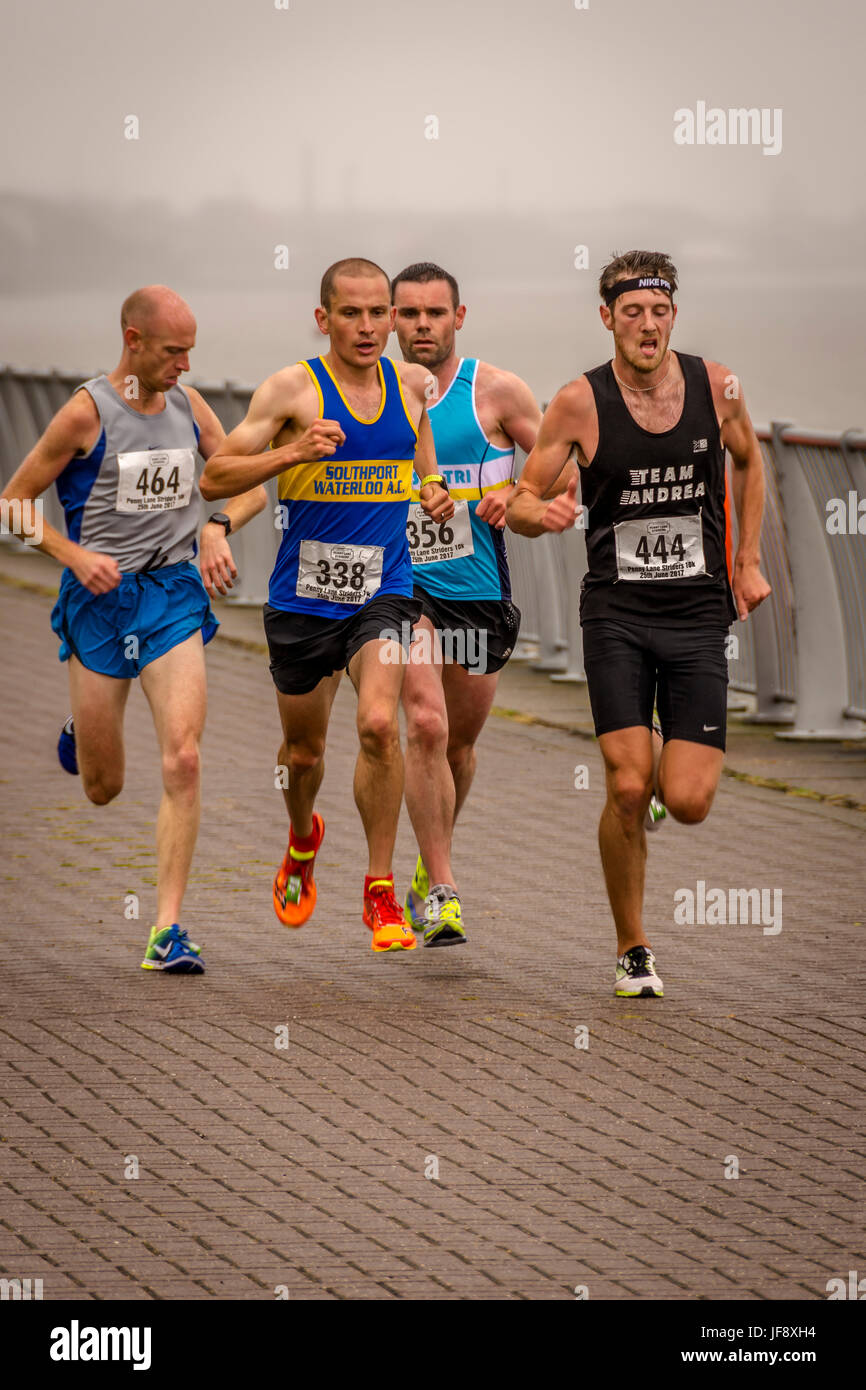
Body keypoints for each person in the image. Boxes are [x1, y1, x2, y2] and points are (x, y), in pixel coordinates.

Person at [507, 250, 771, 998]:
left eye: (659, 312)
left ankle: (661, 788)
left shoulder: (717, 387)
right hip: (615, 616)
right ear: (607, 320)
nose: (647, 326)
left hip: (696, 617)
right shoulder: (578, 403)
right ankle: (633, 949)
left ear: (673, 317)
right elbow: (524, 501)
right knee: (626, 785)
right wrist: (546, 513)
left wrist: (746, 560)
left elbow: (750, 462)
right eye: (632, 313)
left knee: (685, 802)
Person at [0, 285, 266, 973]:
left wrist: (215, 526)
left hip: (172, 593)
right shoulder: (86, 413)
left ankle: (167, 929)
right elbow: (15, 503)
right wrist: (73, 554)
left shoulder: (189, 405)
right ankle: (79, 730)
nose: (184, 365)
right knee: (103, 786)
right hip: (99, 600)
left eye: (191, 353)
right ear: (134, 340)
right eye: (174, 352)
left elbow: (249, 483)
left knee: (184, 758)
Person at [199, 258, 453, 953]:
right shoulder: (293, 390)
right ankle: (303, 837)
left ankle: (379, 891)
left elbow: (420, 463)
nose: (370, 327)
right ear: (325, 319)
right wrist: (293, 454)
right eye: (353, 314)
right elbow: (215, 474)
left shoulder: (409, 387)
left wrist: (432, 491)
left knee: (379, 723)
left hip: (386, 591)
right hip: (303, 601)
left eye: (382, 314)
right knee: (304, 754)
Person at [390, 262, 542, 946]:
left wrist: (515, 493)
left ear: (459, 317)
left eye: (434, 313)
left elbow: (565, 464)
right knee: (424, 724)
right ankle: (443, 888)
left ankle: (431, 859)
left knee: (459, 744)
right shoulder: (371, 393)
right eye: (409, 313)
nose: (422, 325)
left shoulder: (497, 391)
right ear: (390, 318)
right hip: (400, 589)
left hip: (477, 592)